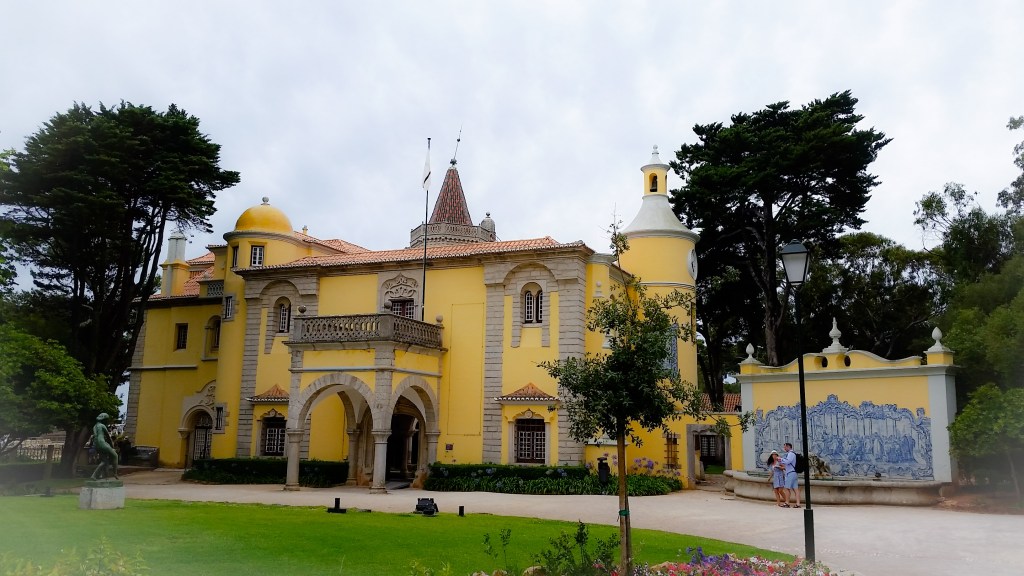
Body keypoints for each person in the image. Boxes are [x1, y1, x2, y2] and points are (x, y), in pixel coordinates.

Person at [90, 413, 119, 480]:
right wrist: (112, 447)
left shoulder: (94, 426)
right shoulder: (102, 426)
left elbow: (95, 436)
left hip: (97, 445)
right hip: (102, 443)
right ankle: (115, 473)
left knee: (104, 461)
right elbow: (108, 438)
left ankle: (94, 476)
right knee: (115, 456)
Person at [782, 442, 800, 508]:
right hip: (794, 472)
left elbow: (787, 461)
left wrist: (780, 459)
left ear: (788, 447)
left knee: (787, 488)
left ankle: (787, 503)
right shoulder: (793, 454)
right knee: (796, 489)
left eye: (785, 447)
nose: (784, 448)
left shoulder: (790, 454)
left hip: (790, 473)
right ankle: (798, 503)